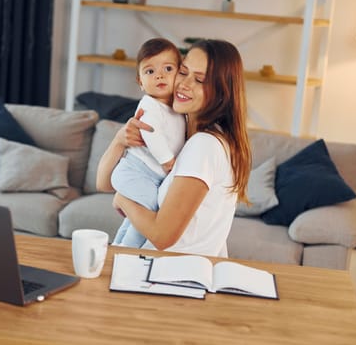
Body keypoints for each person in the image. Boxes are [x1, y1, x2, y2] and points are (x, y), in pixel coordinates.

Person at [96, 38, 252, 257]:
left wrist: (123, 199)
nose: (184, 84)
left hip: (165, 275)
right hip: (169, 272)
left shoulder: (204, 145)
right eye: (183, 71)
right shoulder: (187, 137)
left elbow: (162, 236)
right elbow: (103, 183)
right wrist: (120, 141)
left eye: (199, 79)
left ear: (221, 92)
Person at [110, 38, 186, 247]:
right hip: (136, 172)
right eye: (150, 71)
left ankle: (115, 251)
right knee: (152, 214)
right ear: (141, 82)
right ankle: (127, 254)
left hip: (148, 176)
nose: (159, 75)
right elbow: (151, 132)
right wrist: (168, 161)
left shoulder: (176, 109)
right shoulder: (150, 105)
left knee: (133, 219)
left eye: (168, 68)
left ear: (179, 74)